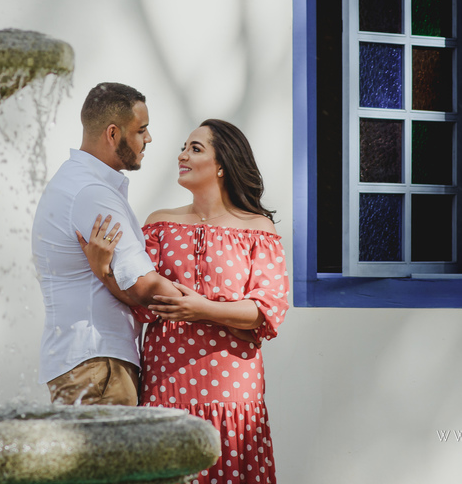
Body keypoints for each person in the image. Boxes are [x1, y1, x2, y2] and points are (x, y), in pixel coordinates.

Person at [81, 119, 288, 484]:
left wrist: (201, 308)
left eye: (195, 148)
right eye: (183, 147)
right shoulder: (159, 224)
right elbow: (142, 300)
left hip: (232, 392)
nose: (182, 155)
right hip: (167, 383)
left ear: (222, 165)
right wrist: (104, 271)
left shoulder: (258, 230)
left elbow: (266, 310)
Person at [31, 82, 183, 406]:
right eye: (141, 130)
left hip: (83, 363)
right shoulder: (92, 193)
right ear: (113, 134)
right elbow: (143, 284)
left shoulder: (73, 182)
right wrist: (217, 309)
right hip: (100, 368)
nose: (149, 139)